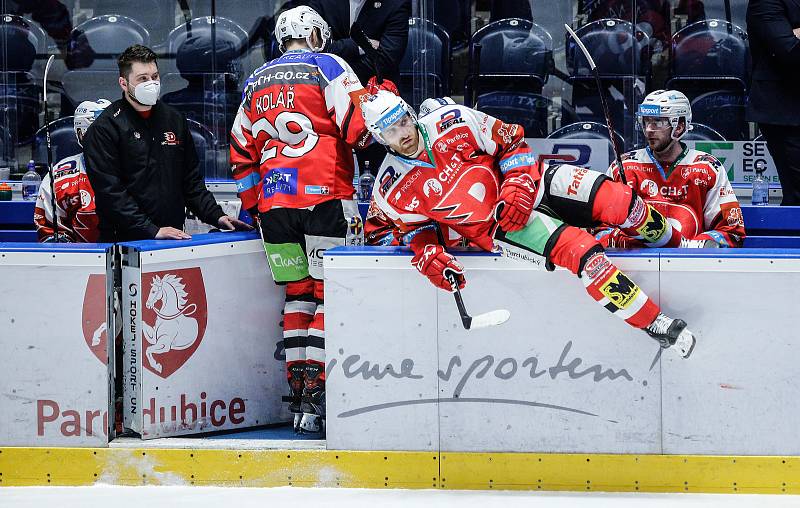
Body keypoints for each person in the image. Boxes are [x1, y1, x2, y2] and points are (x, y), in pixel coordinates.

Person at [363, 92, 698, 359]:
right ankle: (654, 322)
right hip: (502, 227)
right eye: (392, 131)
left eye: (405, 121)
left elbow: (510, 141)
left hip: (535, 182)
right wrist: (429, 254)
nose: (404, 133)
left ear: (410, 112)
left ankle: (678, 246)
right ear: (380, 138)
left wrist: (518, 184)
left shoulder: (454, 120)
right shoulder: (390, 188)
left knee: (621, 200)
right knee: (584, 255)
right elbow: (415, 231)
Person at [230, 6, 372, 434]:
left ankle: (299, 402)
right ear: (313, 35)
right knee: (329, 297)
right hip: (326, 195)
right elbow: (358, 128)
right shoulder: (329, 65)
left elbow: (240, 148)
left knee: (298, 296)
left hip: (275, 206)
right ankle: (320, 394)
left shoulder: (256, 80)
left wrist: (256, 205)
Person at [83, 44, 249, 242]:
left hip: (172, 237)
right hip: (122, 241)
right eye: (142, 79)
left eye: (154, 76)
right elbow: (110, 192)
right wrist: (151, 230)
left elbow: (191, 181)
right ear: (124, 83)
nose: (151, 83)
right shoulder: (105, 128)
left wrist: (217, 216)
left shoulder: (174, 119)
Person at [596, 90, 746, 249]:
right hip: (634, 266)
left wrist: (696, 247)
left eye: (658, 122)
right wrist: (628, 242)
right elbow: (599, 229)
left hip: (689, 268)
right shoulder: (623, 167)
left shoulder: (708, 168)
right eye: (646, 122)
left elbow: (732, 231)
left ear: (679, 127)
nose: (648, 130)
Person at [34, 99, 110, 243]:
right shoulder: (59, 176)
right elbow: (51, 233)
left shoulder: (137, 169)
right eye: (98, 133)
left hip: (131, 257)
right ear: (80, 134)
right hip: (79, 260)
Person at [747, 0, 800, 205]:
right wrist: (792, 36)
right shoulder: (766, 1)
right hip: (785, 112)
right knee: (797, 194)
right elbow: (790, 50)